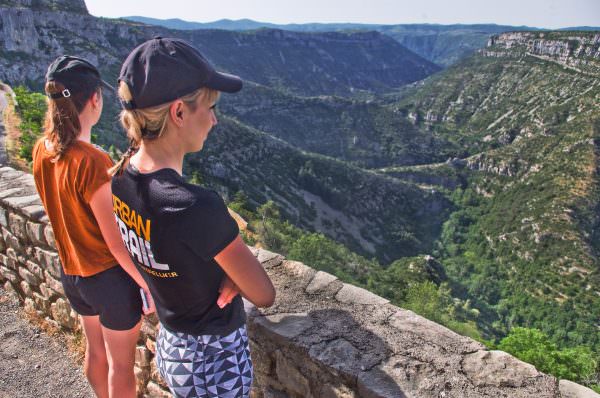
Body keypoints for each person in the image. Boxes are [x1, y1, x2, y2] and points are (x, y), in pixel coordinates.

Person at [110, 37, 276, 398]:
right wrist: (237, 271)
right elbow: (263, 294)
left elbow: (167, 249)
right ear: (179, 113)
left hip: (173, 346)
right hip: (213, 361)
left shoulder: (120, 178)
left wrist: (229, 265)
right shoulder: (193, 205)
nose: (215, 119)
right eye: (210, 107)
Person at [32, 55, 156, 398]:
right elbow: (115, 243)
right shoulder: (92, 162)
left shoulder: (43, 150)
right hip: (108, 280)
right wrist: (148, 285)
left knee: (95, 352)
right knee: (121, 367)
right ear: (95, 100)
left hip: (72, 274)